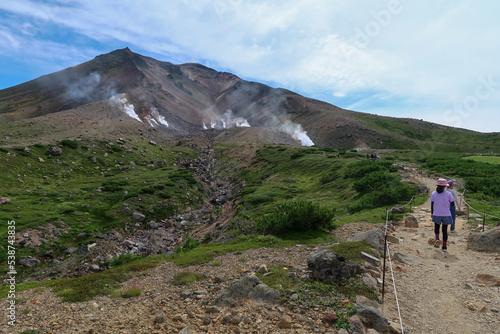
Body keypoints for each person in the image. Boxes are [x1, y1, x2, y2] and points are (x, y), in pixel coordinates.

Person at [430, 178, 455, 252]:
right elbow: (452, 204)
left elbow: (432, 204)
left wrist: (432, 212)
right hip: (446, 214)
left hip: (436, 213)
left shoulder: (434, 193)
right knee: (444, 230)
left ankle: (437, 239)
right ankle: (444, 246)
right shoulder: (448, 194)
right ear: (445, 186)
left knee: (436, 227)